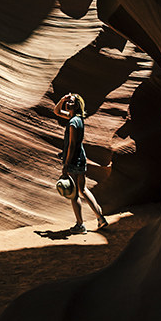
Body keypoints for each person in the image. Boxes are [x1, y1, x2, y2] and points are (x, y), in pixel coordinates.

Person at [54, 92, 108, 234]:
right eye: (68, 102)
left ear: (77, 105)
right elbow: (57, 111)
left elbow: (71, 144)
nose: (68, 104)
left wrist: (66, 165)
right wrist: (63, 98)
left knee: (74, 194)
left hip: (73, 159)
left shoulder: (72, 122)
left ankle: (80, 225)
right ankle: (100, 218)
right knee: (82, 189)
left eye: (72, 102)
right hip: (81, 158)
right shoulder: (77, 118)